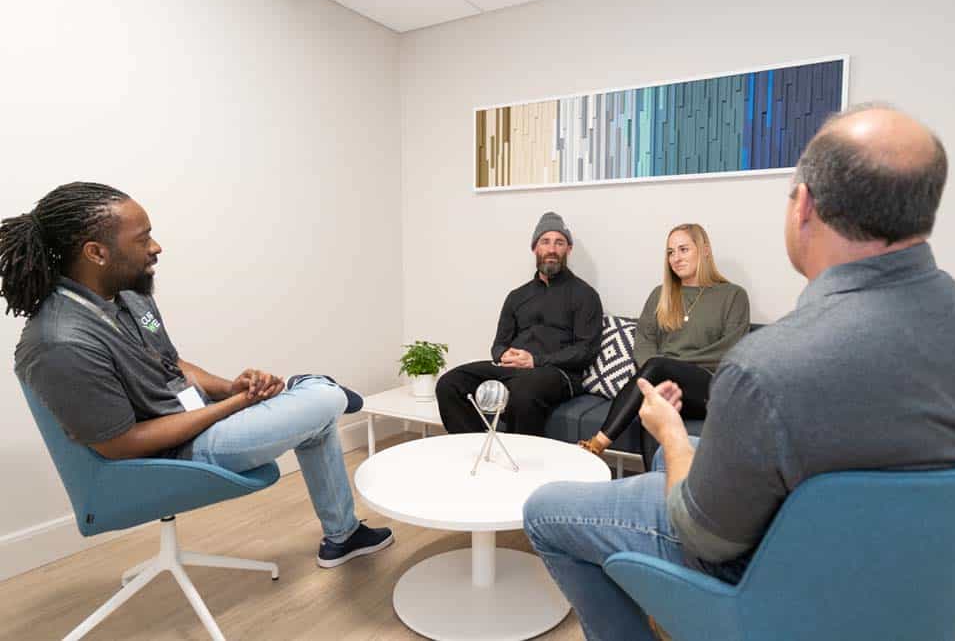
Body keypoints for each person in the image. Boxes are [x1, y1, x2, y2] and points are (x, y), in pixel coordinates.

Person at [522, 104, 955, 641]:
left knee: (546, 509)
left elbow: (705, 537)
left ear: (804, 206)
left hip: (770, 589)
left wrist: (676, 439)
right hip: (909, 599)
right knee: (664, 467)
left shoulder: (768, 365)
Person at [4, 182, 393, 569]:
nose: (156, 247)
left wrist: (230, 388)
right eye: (144, 238)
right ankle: (311, 387)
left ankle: (343, 535)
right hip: (167, 459)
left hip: (196, 423)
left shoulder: (128, 293)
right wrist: (235, 405)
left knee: (318, 413)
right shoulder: (60, 341)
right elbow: (119, 445)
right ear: (96, 252)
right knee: (323, 401)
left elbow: (171, 364)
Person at [578, 223, 749, 469]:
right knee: (655, 401)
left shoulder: (733, 295)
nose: (676, 258)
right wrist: (663, 370)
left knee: (657, 373)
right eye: (670, 252)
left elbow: (732, 349)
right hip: (664, 383)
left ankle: (598, 443)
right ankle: (655, 482)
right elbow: (644, 339)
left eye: (683, 249)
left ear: (704, 250)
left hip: (709, 387)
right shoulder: (661, 294)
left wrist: (673, 366)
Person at [435, 211, 602, 436]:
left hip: (557, 374)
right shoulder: (517, 296)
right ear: (535, 248)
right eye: (545, 242)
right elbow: (498, 346)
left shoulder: (585, 295)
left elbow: (586, 350)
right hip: (512, 370)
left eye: (559, 242)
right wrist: (503, 355)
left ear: (568, 249)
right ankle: (479, 448)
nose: (552, 249)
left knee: (523, 391)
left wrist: (536, 360)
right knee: (449, 384)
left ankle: (522, 466)